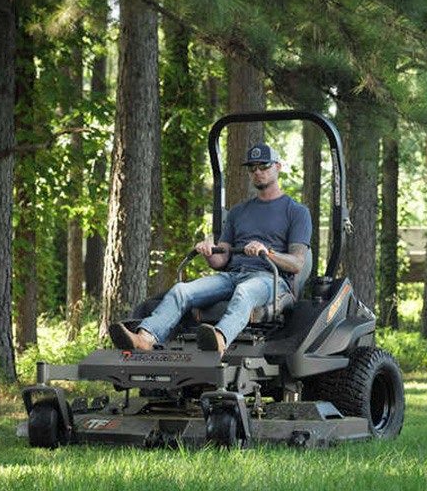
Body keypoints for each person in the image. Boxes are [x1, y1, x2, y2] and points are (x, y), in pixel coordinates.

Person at [109, 143, 312, 354]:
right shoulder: (238, 212)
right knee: (181, 290)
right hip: (232, 276)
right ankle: (145, 337)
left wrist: (266, 252)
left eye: (264, 166)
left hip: (270, 279)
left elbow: (297, 263)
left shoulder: (296, 211)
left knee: (245, 291)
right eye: (252, 168)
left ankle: (219, 338)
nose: (258, 172)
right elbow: (220, 260)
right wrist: (209, 251)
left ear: (278, 167)